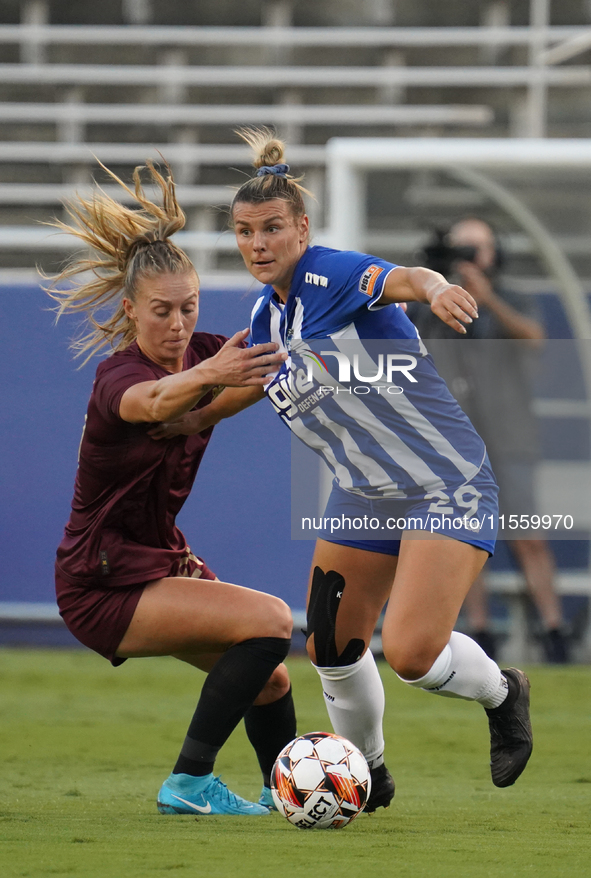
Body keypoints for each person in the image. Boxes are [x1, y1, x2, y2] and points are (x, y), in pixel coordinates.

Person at [153, 129, 534, 810]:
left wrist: (438, 286)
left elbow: (399, 280)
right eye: (244, 232)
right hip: (364, 492)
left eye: (271, 228)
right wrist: (189, 418)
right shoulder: (266, 313)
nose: (257, 244)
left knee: (413, 654)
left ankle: (504, 693)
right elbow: (255, 381)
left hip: (442, 482)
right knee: (330, 645)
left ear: (301, 228)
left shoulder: (329, 274)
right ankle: (370, 773)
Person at [48, 159, 297, 817]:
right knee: (271, 619)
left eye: (188, 308)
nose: (179, 324)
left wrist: (211, 402)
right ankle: (187, 782)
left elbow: (257, 373)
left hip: (155, 563)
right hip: (100, 585)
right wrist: (206, 381)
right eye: (162, 311)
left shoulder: (201, 355)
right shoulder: (117, 378)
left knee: (269, 676)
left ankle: (294, 795)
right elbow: (154, 402)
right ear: (130, 310)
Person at [410, 218, 569, 664]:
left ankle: (554, 631)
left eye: (475, 249)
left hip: (510, 433)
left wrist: (487, 297)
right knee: (462, 537)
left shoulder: (514, 297)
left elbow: (535, 340)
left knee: (528, 536)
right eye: (460, 250)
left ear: (495, 252)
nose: (468, 258)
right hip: (457, 438)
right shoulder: (433, 303)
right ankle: (480, 634)